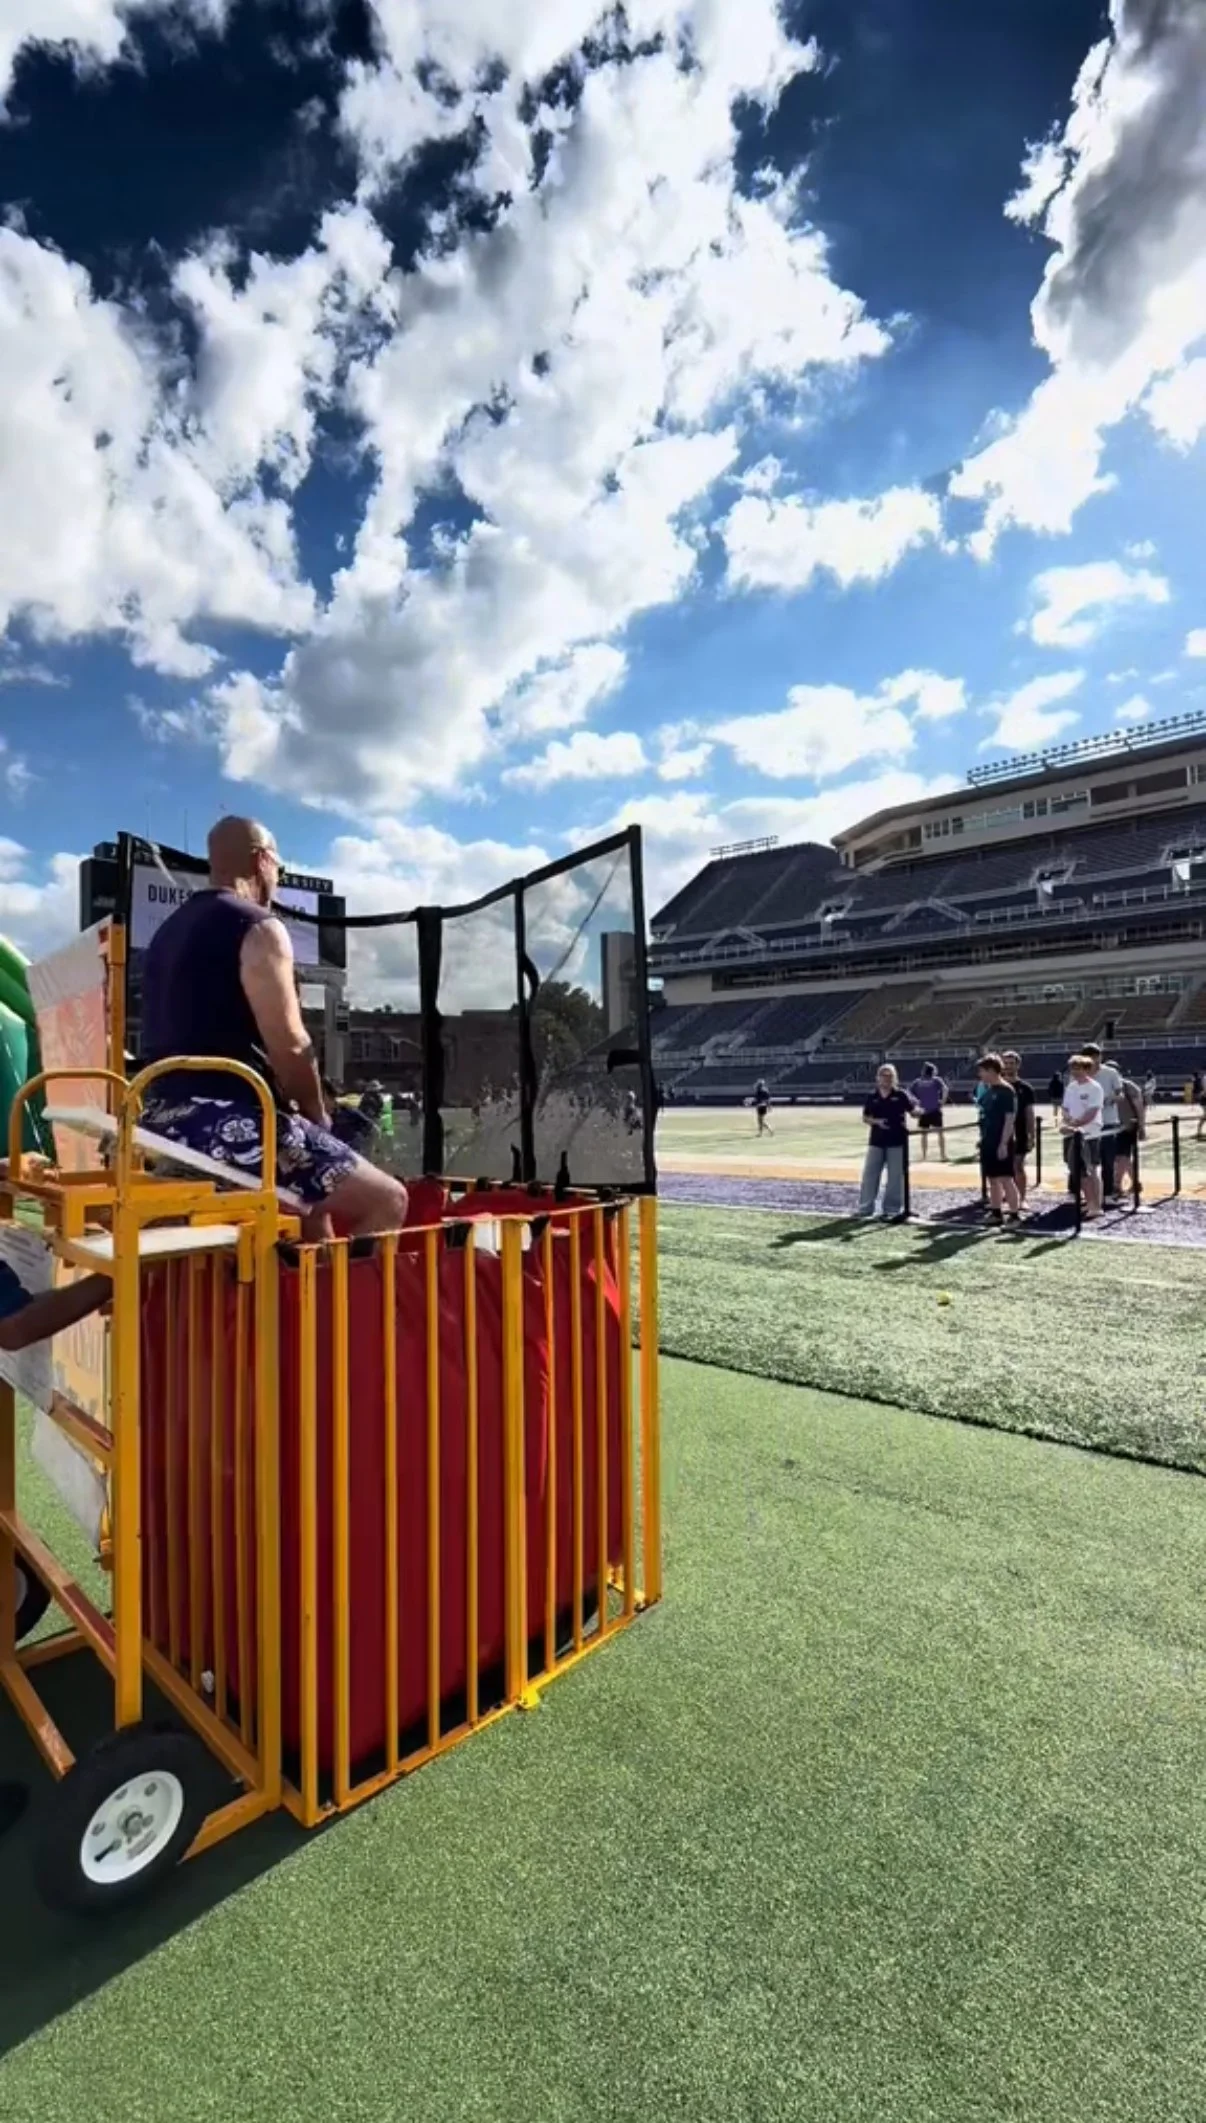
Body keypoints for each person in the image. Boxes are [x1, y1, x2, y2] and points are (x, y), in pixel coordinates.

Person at [139, 819, 407, 1243]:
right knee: (388, 1200)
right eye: (278, 867)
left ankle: (301, 1296)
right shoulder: (258, 926)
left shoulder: (167, 932)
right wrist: (319, 1118)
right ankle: (342, 1308)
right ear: (262, 861)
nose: (277, 879)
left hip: (160, 1118)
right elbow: (291, 1044)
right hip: (225, 1122)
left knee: (312, 1205)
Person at [859, 1064, 915, 1222]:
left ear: (895, 1078)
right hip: (876, 1141)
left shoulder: (901, 1095)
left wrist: (924, 1110)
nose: (886, 1078)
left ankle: (891, 1209)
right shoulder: (872, 1096)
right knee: (870, 1175)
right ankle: (865, 1208)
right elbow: (865, 1117)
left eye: (890, 1075)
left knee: (895, 1177)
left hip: (897, 1140)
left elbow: (913, 1111)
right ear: (878, 1078)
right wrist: (877, 1122)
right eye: (883, 1075)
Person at [975, 1054, 1020, 1223]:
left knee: (1005, 1178)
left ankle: (1014, 1215)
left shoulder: (1006, 1091)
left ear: (992, 1070)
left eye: (982, 1071)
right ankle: (996, 1212)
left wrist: (1003, 1143)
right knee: (992, 1178)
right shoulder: (989, 1090)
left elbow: (1010, 1119)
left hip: (1001, 1141)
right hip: (988, 1140)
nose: (980, 1075)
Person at [1061, 1054, 1104, 1220]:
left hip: (1089, 1133)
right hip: (1073, 1133)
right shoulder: (1071, 1087)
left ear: (1087, 1069)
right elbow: (1065, 1108)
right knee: (1077, 1169)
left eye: (1079, 1068)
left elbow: (1092, 1112)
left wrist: (1076, 1124)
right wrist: (1068, 1121)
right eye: (1073, 1068)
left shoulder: (1095, 1088)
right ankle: (1089, 1201)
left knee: (1091, 1169)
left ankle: (1096, 1205)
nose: (1075, 1072)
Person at [1082, 1043, 1124, 1205]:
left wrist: (1110, 1099)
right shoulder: (1080, 1073)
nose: (1094, 1060)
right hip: (1087, 1123)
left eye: (1097, 1056)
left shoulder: (1110, 1073)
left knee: (1108, 1159)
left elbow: (1120, 1093)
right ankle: (1087, 1194)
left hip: (1108, 1121)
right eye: (1091, 1057)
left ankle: (1107, 1194)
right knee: (1088, 1161)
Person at [1000, 1051, 1036, 1206]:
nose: (1008, 1066)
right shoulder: (996, 1086)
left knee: (1018, 1166)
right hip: (999, 1132)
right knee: (1002, 1167)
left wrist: (1032, 1135)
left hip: (1019, 1132)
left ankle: (1022, 1198)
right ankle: (1007, 1195)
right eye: (1005, 1063)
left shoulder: (1025, 1088)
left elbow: (1029, 1113)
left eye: (1011, 1063)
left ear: (1018, 1065)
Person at [1109, 1062, 1146, 1200]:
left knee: (1121, 1157)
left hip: (1127, 1126)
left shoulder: (1128, 1086)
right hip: (1112, 1127)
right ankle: (1134, 1183)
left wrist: (1141, 1127)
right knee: (1120, 1158)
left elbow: (1140, 1108)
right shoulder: (1106, 1086)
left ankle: (1117, 1185)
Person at [908, 1062, 947, 1161]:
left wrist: (915, 1102)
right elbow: (945, 1089)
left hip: (923, 1111)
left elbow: (909, 1093)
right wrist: (943, 1101)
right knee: (940, 1133)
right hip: (935, 1110)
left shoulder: (917, 1082)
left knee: (924, 1134)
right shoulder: (936, 1080)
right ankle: (943, 1155)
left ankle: (924, 1156)